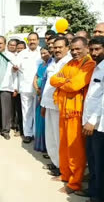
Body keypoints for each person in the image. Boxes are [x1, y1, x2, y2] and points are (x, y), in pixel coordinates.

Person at [50, 37, 96, 194]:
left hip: (77, 112)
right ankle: (66, 175)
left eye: (78, 49)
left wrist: (65, 81)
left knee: (75, 149)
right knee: (64, 145)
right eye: (73, 49)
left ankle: (75, 183)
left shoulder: (89, 63)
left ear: (86, 48)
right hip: (64, 109)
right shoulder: (70, 63)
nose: (75, 52)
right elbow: (52, 79)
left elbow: (75, 85)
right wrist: (66, 81)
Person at [40, 37, 71, 177]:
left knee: (60, 138)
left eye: (60, 47)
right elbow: (48, 84)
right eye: (55, 47)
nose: (57, 50)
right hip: (48, 104)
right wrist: (43, 105)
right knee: (51, 136)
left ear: (67, 48)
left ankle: (63, 167)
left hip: (60, 106)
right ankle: (56, 163)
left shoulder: (69, 62)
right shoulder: (53, 61)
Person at [82, 36, 104, 202]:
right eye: (92, 49)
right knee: (92, 159)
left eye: (98, 49)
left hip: (99, 125)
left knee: (100, 162)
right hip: (89, 123)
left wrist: (93, 120)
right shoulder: (96, 67)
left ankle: (98, 195)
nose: (94, 52)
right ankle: (93, 190)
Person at [13, 32, 42, 143]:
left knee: (38, 112)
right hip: (25, 87)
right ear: (27, 41)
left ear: (38, 40)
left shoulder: (42, 52)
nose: (32, 42)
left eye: (34, 39)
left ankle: (36, 134)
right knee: (26, 112)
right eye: (30, 40)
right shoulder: (22, 53)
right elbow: (15, 69)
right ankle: (28, 134)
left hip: (38, 88)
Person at [0, 36, 17, 140]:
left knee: (6, 110)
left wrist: (16, 87)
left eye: (0, 43)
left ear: (5, 44)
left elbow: (16, 73)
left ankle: (6, 131)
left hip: (6, 86)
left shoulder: (11, 56)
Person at [33, 46, 51, 152]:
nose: (43, 55)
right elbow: (35, 78)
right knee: (39, 118)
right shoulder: (40, 65)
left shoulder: (51, 65)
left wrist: (42, 92)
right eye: (42, 53)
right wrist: (36, 88)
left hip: (46, 95)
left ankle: (46, 146)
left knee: (45, 121)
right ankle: (39, 144)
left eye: (45, 53)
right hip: (39, 93)